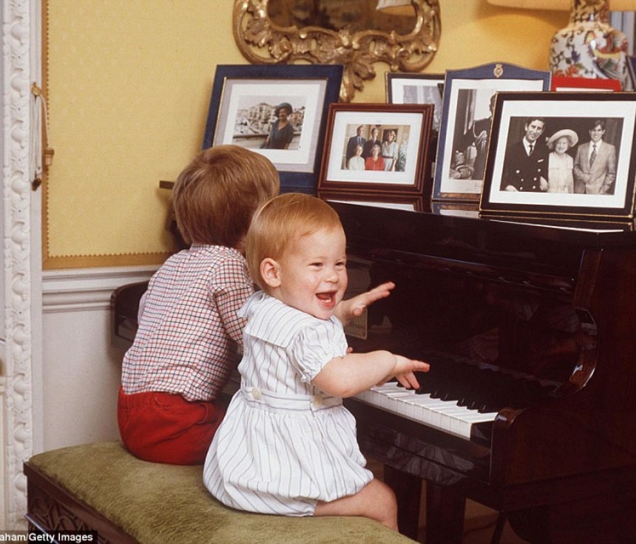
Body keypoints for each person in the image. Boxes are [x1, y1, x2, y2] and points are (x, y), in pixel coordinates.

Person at [118, 146, 393, 466]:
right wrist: (322, 354)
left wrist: (335, 320)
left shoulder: (176, 262)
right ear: (253, 222)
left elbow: (147, 315)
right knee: (269, 443)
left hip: (132, 412)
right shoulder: (229, 265)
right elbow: (258, 336)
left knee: (255, 419)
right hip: (174, 424)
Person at [203, 193, 429, 530]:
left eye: (339, 263)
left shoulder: (263, 304)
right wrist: (388, 360)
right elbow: (341, 380)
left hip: (248, 463)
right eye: (317, 265)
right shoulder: (307, 331)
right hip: (286, 470)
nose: (334, 276)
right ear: (273, 272)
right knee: (383, 500)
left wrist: (342, 310)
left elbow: (303, 321)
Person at [501, 117, 549, 192]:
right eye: (533, 127)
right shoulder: (511, 150)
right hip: (516, 192)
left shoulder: (544, 150)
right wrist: (506, 186)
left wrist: (542, 178)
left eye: (539, 128)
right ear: (526, 127)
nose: (535, 131)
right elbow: (500, 174)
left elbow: (545, 171)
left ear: (542, 131)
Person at [573, 119, 617, 194]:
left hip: (597, 191)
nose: (596, 133)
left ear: (603, 132)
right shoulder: (581, 147)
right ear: (589, 131)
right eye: (593, 130)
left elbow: (611, 173)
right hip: (579, 190)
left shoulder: (610, 149)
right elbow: (575, 166)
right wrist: (582, 176)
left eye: (599, 130)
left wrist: (603, 189)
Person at [545, 129, 578, 194]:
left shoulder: (570, 159)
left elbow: (571, 182)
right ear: (554, 144)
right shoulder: (548, 157)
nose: (561, 146)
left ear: (568, 145)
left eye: (564, 143)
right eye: (558, 143)